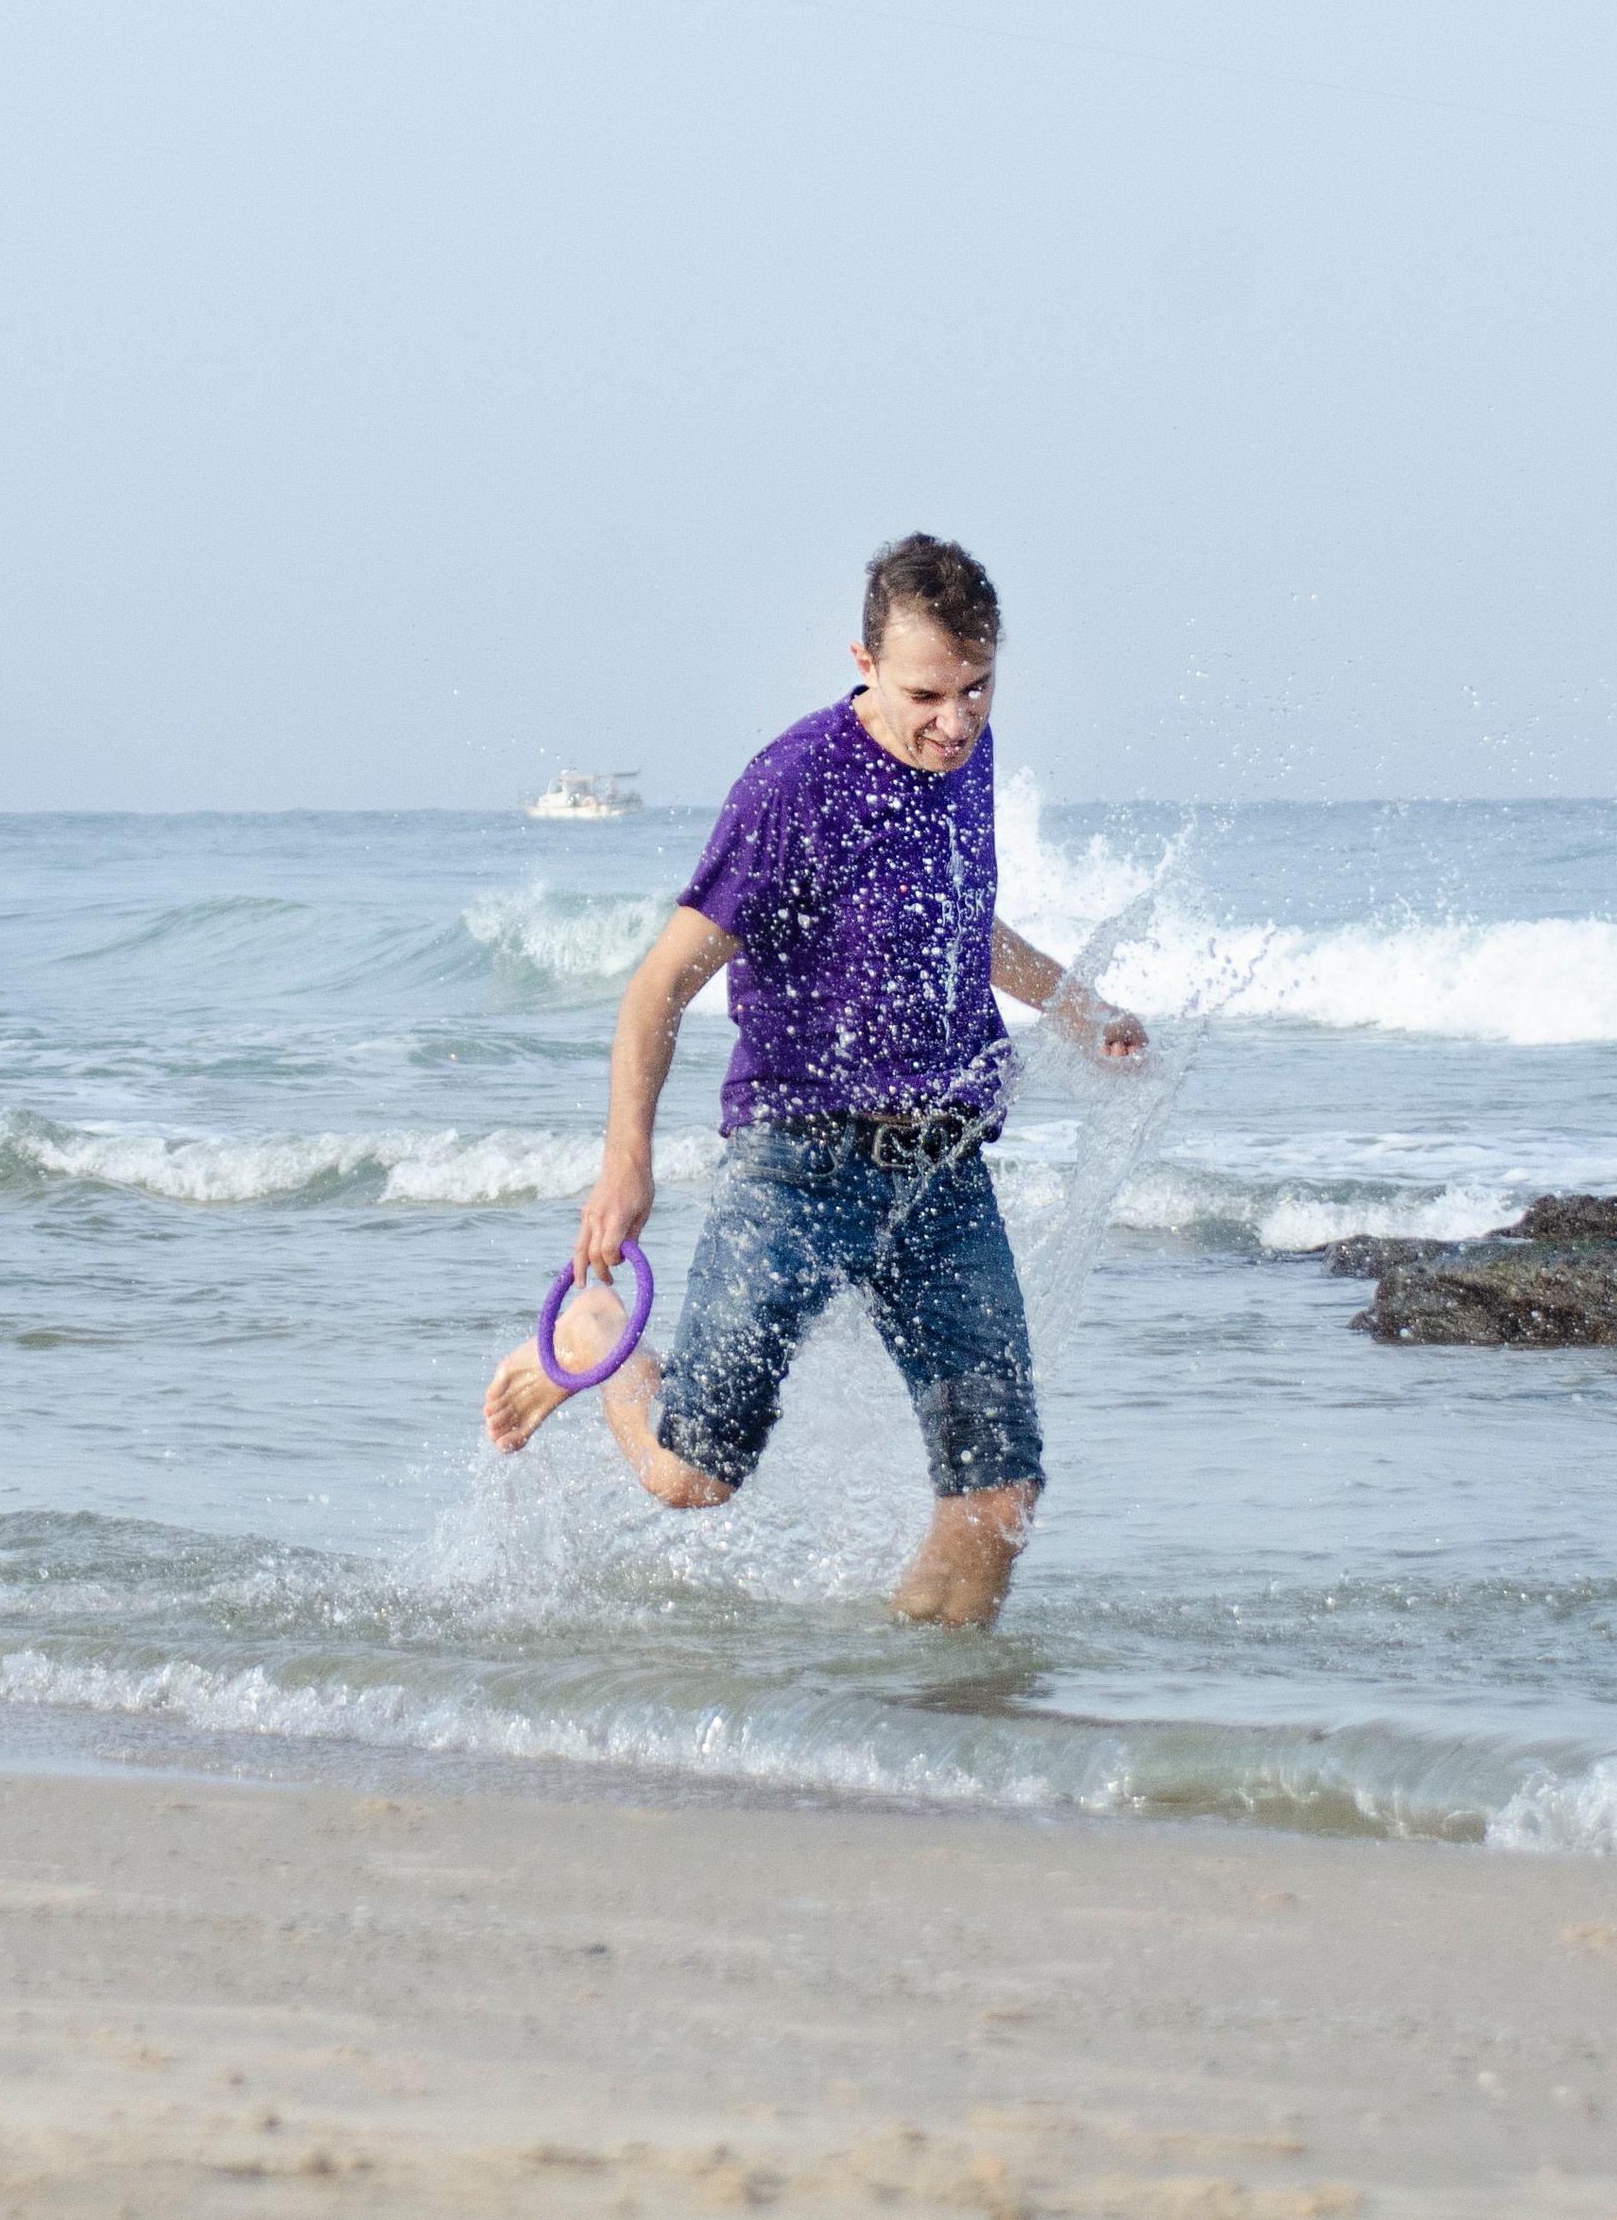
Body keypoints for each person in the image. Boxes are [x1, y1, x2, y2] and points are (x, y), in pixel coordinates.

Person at [485, 534, 1146, 1628]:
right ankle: (599, 1344)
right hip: (796, 1163)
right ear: (864, 660)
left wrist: (1076, 1004)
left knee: (998, 1492)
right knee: (694, 1475)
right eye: (927, 692)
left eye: (977, 687)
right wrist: (624, 1169)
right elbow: (655, 989)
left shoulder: (965, 756)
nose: (956, 718)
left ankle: (928, 1730)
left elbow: (954, 919)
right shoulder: (793, 785)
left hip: (943, 1174)